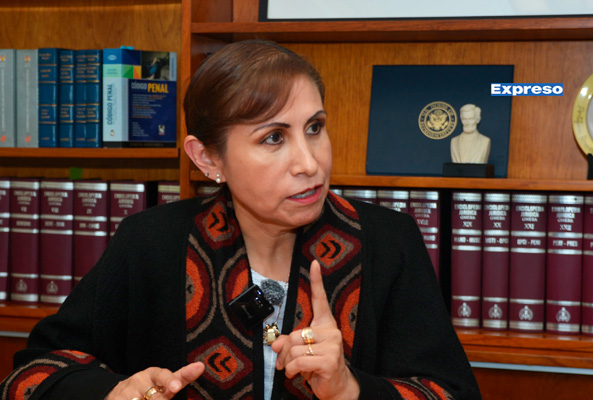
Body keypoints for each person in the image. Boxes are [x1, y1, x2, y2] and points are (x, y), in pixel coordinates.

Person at [0, 40, 481, 400]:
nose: (309, 162)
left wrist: (350, 390)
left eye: (315, 128)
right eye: (274, 138)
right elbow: (32, 373)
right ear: (208, 158)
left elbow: (450, 392)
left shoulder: (386, 241)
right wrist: (112, 392)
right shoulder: (152, 242)